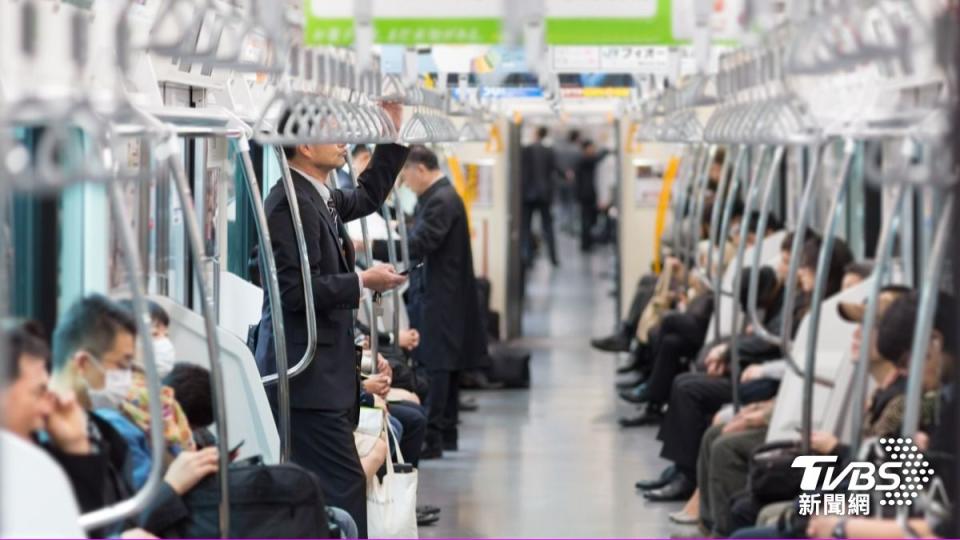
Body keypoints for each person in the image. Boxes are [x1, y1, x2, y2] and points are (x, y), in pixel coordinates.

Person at [253, 102, 408, 538]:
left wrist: (391, 136)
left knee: (327, 491)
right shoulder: (289, 205)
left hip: (326, 377)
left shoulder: (317, 195)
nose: (343, 140)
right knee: (343, 486)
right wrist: (361, 282)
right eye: (333, 131)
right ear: (304, 145)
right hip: (305, 377)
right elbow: (291, 293)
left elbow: (368, 196)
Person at [47, 295, 219, 537]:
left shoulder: (98, 429)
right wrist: (172, 486)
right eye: (122, 366)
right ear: (84, 363)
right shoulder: (51, 441)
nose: (127, 380)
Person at [372, 145, 487, 459]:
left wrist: (369, 245)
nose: (406, 183)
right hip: (441, 293)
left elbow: (420, 243)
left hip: (442, 296)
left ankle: (433, 439)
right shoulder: (439, 198)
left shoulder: (442, 200)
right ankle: (445, 433)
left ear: (420, 169)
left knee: (436, 364)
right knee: (444, 364)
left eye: (406, 175)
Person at [521, 126, 560, 267]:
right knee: (547, 227)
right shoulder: (549, 151)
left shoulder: (526, 150)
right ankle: (553, 258)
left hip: (527, 194)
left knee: (526, 227)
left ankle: (527, 257)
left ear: (536, 134)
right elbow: (555, 170)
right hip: (545, 194)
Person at [575, 140, 611, 252]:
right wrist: (606, 150)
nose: (593, 150)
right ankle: (586, 244)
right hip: (586, 195)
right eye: (591, 148)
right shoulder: (584, 160)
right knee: (586, 220)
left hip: (588, 195)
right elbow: (597, 158)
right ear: (586, 149)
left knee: (589, 220)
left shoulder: (584, 160)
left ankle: (588, 242)